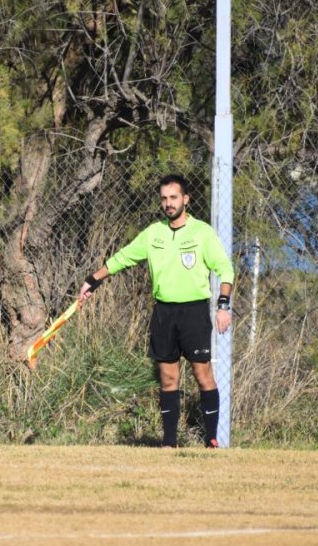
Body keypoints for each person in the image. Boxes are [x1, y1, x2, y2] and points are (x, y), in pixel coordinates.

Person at [78, 174, 234, 448]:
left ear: (186, 199)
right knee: (168, 377)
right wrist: (93, 280)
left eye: (174, 197)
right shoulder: (153, 233)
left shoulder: (202, 232)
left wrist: (223, 305)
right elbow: (122, 258)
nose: (168, 203)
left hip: (194, 313)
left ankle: (211, 439)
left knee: (202, 374)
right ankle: (169, 442)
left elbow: (225, 269)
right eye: (164, 198)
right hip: (164, 314)